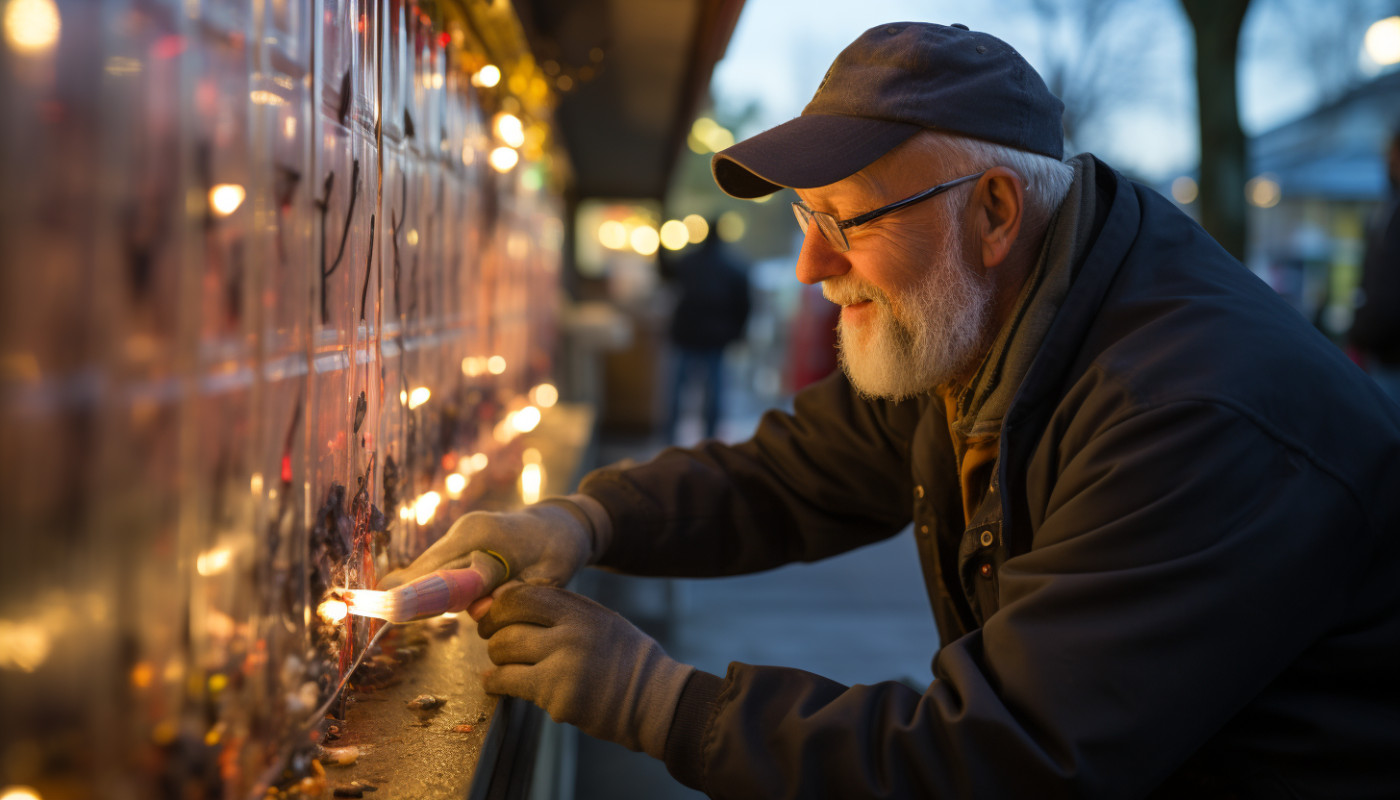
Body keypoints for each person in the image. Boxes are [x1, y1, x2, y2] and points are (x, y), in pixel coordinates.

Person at [383, 22, 1400, 798]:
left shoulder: (1190, 412)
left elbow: (1008, 753)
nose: (808, 266)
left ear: (992, 212)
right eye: (801, 219)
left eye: (843, 222)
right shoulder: (989, 314)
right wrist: (579, 518)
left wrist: (658, 700)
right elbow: (793, 470)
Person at [662, 227, 752, 441]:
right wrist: (738, 333)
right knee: (715, 392)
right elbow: (745, 305)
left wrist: (660, 240)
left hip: (686, 335)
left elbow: (666, 273)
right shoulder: (733, 267)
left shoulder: (690, 262)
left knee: (677, 391)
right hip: (716, 339)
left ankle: (668, 437)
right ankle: (709, 440)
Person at [1350, 128, 1400, 403]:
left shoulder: (1392, 214)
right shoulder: (1388, 209)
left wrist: (1363, 334)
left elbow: (1386, 285)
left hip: (1389, 354)